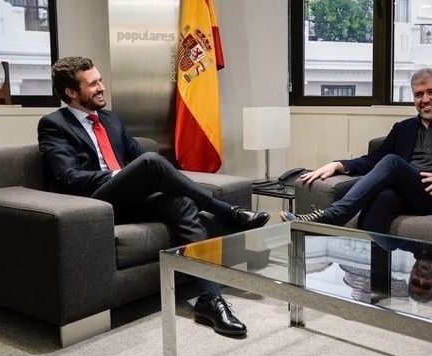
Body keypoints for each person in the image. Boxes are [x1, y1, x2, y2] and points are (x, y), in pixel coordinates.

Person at [38, 56, 270, 336]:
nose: (101, 87)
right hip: (93, 205)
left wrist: (141, 177)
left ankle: (209, 299)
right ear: (71, 93)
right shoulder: (53, 125)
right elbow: (69, 177)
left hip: (129, 199)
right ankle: (226, 211)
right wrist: (119, 176)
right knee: (152, 162)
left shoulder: (111, 120)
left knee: (181, 203)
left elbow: (139, 160)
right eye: (92, 84)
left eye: (100, 80)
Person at [280, 68, 432, 233]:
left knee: (392, 162)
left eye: (431, 92)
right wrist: (340, 165)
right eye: (418, 94)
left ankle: (333, 216)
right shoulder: (403, 128)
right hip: (408, 194)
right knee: (382, 197)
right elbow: (374, 160)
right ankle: (373, 271)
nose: (425, 99)